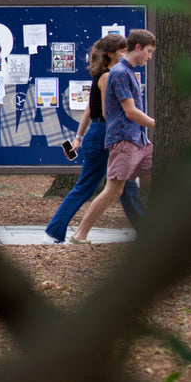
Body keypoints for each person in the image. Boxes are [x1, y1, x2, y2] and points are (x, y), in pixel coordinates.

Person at [43, 34, 145, 243]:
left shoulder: (102, 75)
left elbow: (90, 108)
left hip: (99, 132)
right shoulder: (109, 76)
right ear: (111, 54)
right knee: (90, 185)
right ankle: (53, 232)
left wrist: (79, 138)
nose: (126, 54)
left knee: (124, 185)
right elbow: (109, 112)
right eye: (123, 50)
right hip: (106, 133)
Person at [70, 28, 157, 244]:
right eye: (148, 51)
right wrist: (159, 125)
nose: (150, 57)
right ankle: (79, 235)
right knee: (114, 189)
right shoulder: (119, 73)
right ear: (137, 47)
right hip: (124, 140)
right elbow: (129, 111)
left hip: (139, 140)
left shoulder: (128, 72)